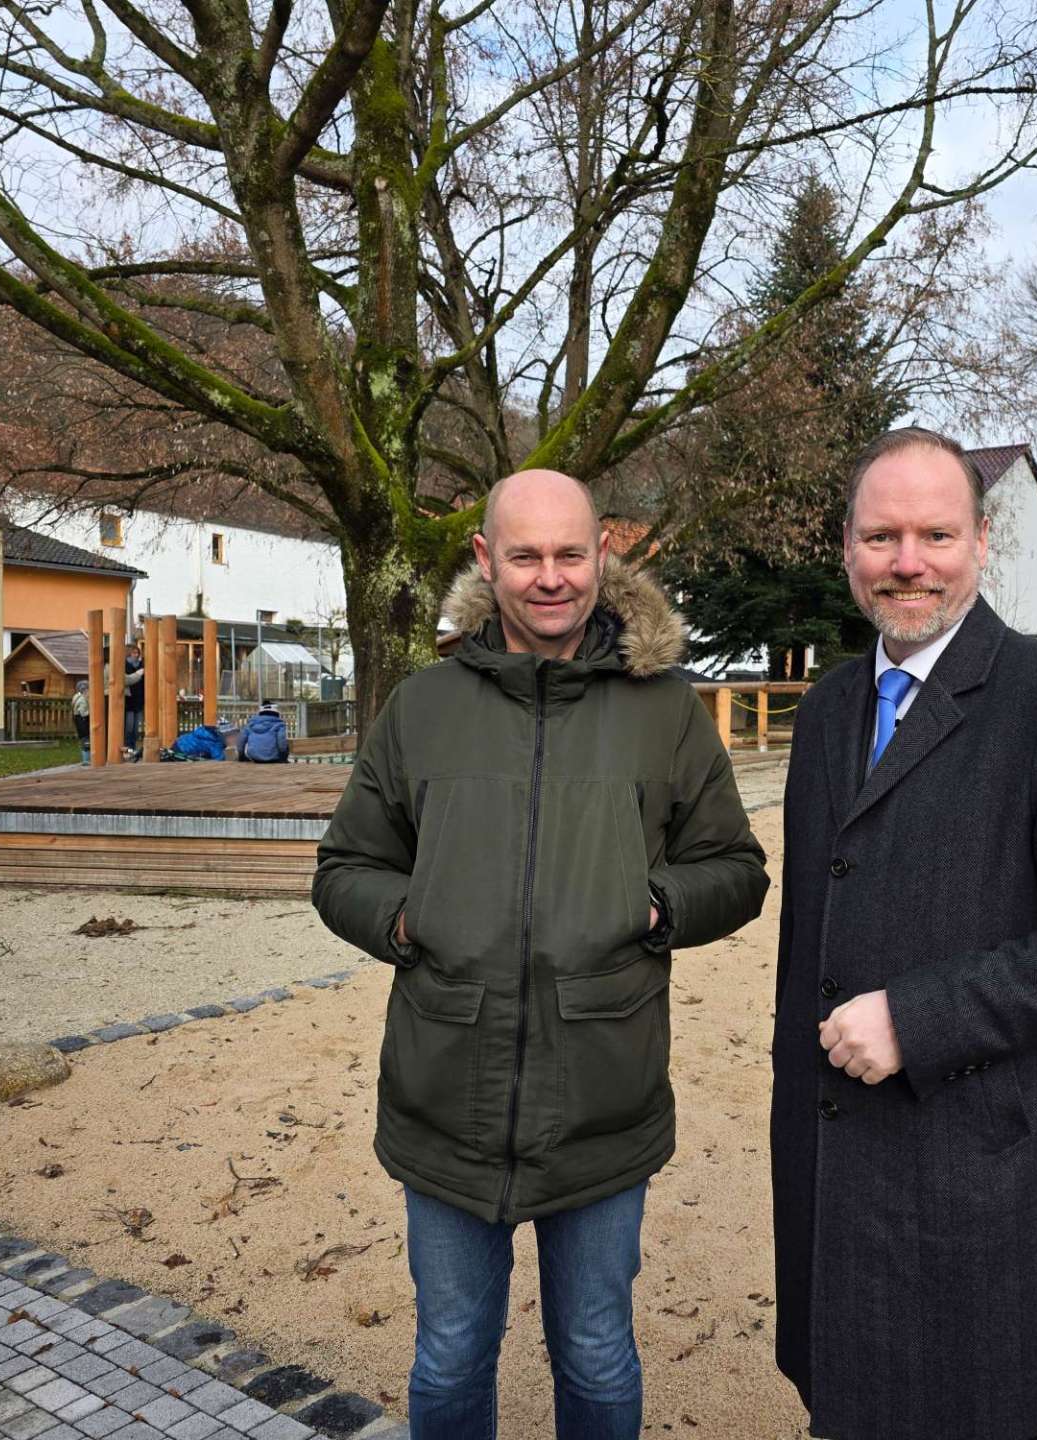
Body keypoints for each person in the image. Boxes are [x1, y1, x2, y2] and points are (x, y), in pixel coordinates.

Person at [313, 469, 769, 1439]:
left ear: (603, 551)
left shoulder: (664, 710)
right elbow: (346, 865)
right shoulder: (424, 707)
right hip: (446, 1096)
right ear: (486, 559)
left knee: (598, 1354)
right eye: (526, 555)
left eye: (570, 553)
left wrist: (653, 906)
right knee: (447, 1358)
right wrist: (404, 919)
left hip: (602, 1099)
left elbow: (734, 867)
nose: (551, 577)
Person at [770, 427, 1037, 1440]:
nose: (908, 562)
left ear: (982, 542)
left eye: (935, 534)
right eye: (882, 536)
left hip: (988, 1174)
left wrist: (921, 1016)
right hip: (841, 1173)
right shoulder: (825, 712)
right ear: (848, 547)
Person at [122, 642, 145, 758]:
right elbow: (127, 680)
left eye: (137, 653)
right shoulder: (125, 665)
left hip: (139, 701)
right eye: (133, 653)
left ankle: (133, 749)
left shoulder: (141, 665)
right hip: (129, 702)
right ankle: (128, 748)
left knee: (136, 729)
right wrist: (138, 674)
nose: (136, 655)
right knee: (128, 728)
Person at [71, 680, 91, 764]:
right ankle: (86, 760)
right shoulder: (82, 700)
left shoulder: (76, 697)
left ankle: (86, 758)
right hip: (82, 721)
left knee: (84, 739)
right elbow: (82, 712)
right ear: (85, 691)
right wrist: (91, 712)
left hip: (78, 720)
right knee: (86, 740)